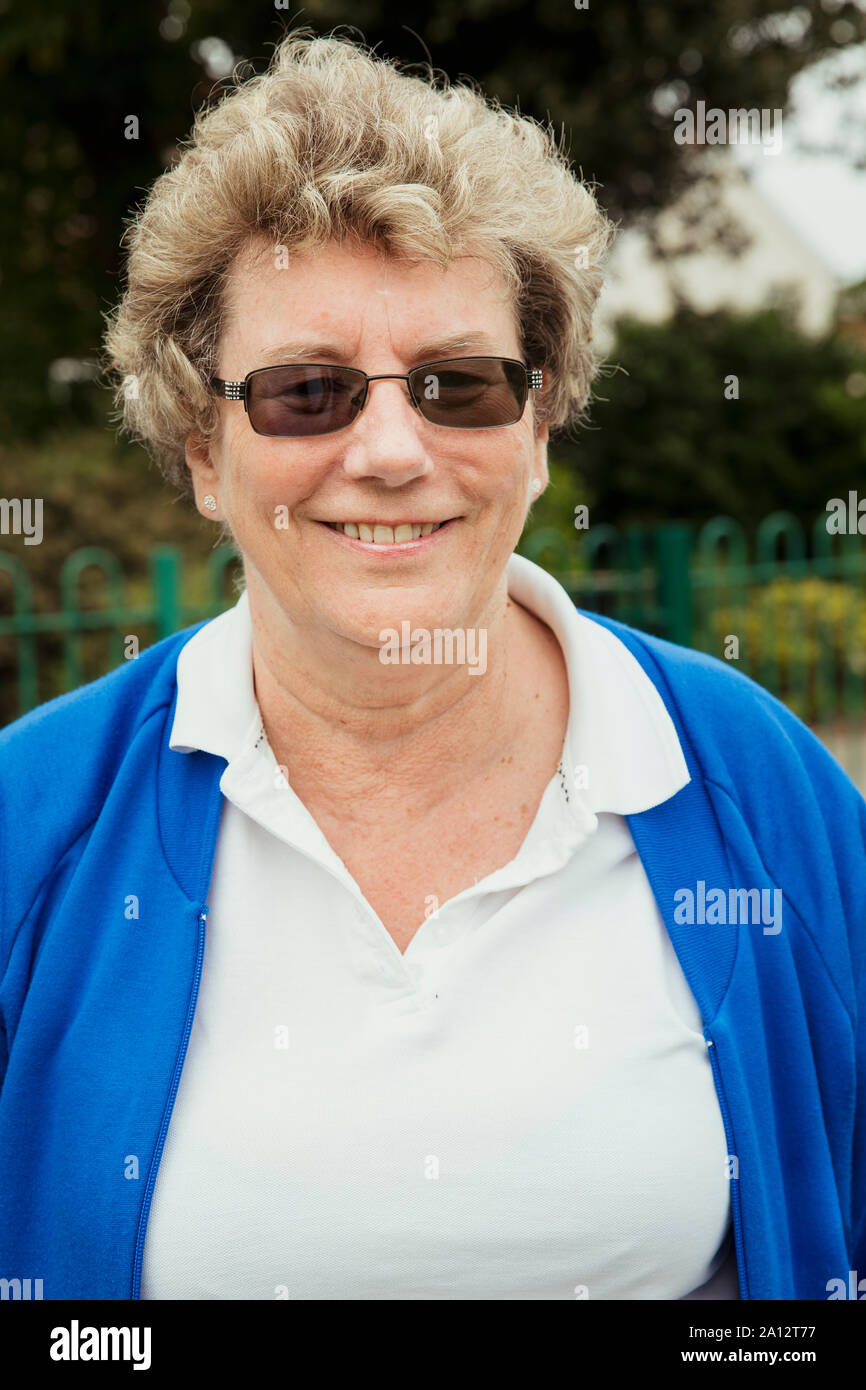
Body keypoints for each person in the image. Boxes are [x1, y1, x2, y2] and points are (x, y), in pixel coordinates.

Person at [0, 30, 864, 1303]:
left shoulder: (750, 783)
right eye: (308, 391)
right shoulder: (32, 824)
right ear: (199, 448)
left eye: (458, 384)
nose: (393, 449)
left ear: (538, 428)